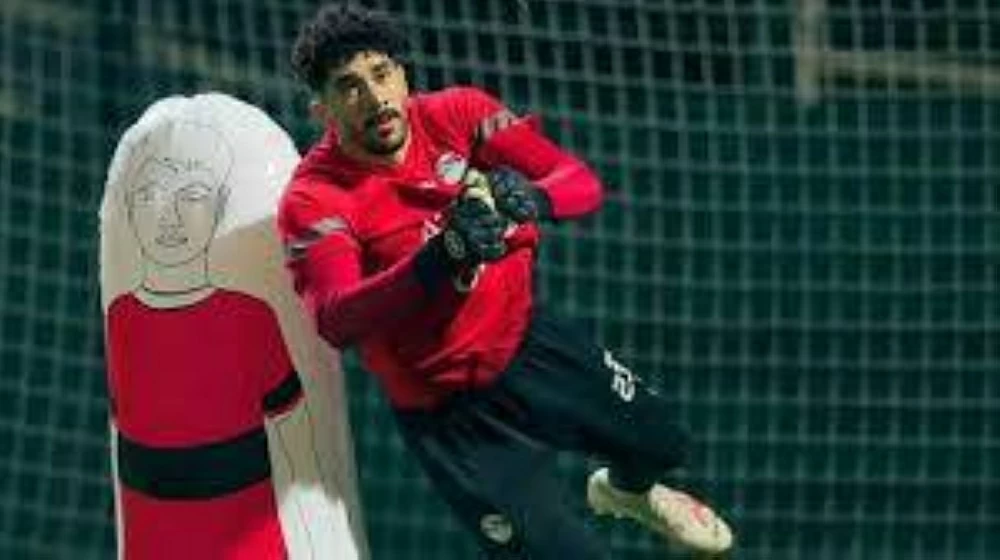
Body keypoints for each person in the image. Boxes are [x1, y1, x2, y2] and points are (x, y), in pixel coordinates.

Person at [279, 4, 734, 558]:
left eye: (381, 74)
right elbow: (337, 316)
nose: (375, 99)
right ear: (321, 109)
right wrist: (441, 256)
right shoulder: (314, 198)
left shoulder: (458, 112)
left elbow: (579, 182)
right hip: (450, 416)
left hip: (531, 343)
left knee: (665, 442)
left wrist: (535, 198)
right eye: (349, 87)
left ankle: (624, 492)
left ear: (403, 75)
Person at [101, 93, 367, 559]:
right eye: (149, 195)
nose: (168, 216)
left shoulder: (250, 315)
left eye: (192, 196)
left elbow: (298, 445)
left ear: (221, 206)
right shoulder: (123, 316)